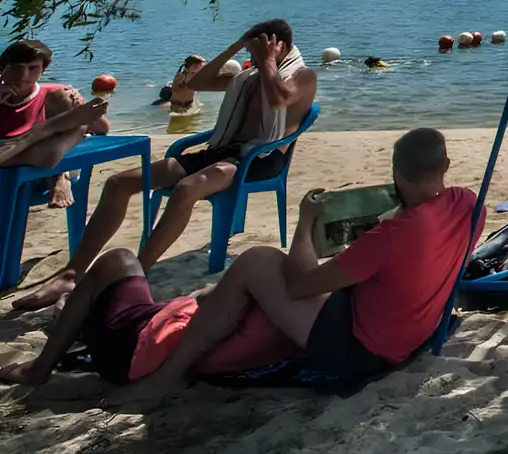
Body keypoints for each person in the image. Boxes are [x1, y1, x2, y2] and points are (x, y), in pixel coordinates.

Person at [106, 128, 481, 406]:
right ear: (445, 165)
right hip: (406, 330)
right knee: (237, 287)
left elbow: (302, 285)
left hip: (360, 349)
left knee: (256, 260)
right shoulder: (469, 205)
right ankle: (211, 302)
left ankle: (170, 376)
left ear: (397, 173)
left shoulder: (392, 236)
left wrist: (305, 221)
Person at [13, 20, 316, 313]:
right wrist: (237, 45)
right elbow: (196, 82)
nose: (250, 58)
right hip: (223, 152)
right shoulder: (248, 76)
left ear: (281, 47)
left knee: (187, 188)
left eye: (254, 52)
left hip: (259, 159)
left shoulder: (303, 77)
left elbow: (277, 101)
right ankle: (71, 274)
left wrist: (266, 61)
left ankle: (134, 274)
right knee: (119, 182)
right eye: (249, 52)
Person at [0, 248, 295, 391]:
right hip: (160, 329)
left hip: (138, 347)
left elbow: (205, 297)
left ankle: (38, 369)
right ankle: (71, 306)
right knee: (97, 301)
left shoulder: (274, 279)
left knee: (119, 260)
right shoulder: (308, 315)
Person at [0, 39, 110, 208]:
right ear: (3, 69)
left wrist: (78, 106)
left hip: (35, 170)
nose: (24, 76)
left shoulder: (54, 95)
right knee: (49, 146)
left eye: (32, 68)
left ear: (42, 70)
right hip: (22, 160)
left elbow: (102, 128)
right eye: (16, 68)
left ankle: (58, 173)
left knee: (71, 119)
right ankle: (53, 163)